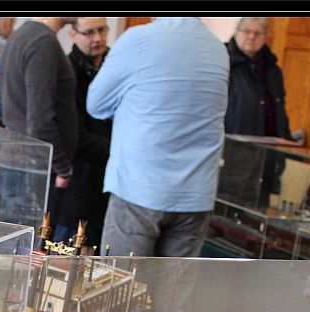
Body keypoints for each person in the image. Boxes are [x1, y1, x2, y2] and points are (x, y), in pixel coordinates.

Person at [87, 17, 228, 257]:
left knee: (121, 279)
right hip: (195, 193)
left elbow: (96, 104)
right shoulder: (217, 48)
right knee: (175, 283)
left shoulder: (138, 39)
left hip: (140, 187)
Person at [0, 16, 79, 234]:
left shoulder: (25, 34)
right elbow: (39, 124)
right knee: (31, 248)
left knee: (19, 246)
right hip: (34, 170)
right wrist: (63, 169)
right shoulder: (42, 41)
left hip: (25, 164)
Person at [53, 17, 113, 249]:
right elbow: (73, 136)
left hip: (111, 185)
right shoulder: (67, 70)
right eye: (89, 32)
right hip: (79, 183)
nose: (97, 38)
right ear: (73, 34)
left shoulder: (115, 64)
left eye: (102, 30)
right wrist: (120, 151)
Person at [221, 17, 293, 208]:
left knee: (255, 216)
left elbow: (279, 112)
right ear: (236, 32)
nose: (251, 37)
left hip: (265, 162)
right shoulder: (223, 62)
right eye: (246, 31)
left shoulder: (272, 69)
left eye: (258, 33)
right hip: (230, 159)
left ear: (266, 36)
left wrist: (286, 146)